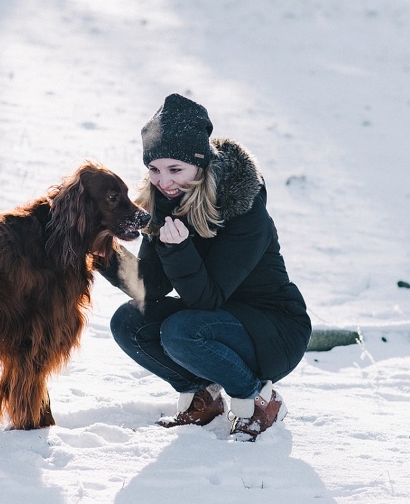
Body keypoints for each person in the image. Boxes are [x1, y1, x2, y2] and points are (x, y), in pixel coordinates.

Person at [101, 94, 311, 438]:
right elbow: (150, 286)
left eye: (174, 170)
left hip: (273, 330)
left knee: (180, 332)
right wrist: (102, 253)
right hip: (210, 323)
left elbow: (208, 299)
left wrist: (178, 249)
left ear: (200, 165)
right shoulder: (165, 200)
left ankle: (259, 400)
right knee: (128, 322)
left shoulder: (244, 210)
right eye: (154, 169)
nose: (162, 181)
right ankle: (204, 398)